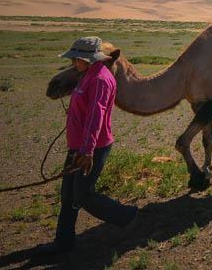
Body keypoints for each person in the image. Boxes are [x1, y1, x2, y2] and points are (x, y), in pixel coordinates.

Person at [36, 37, 138, 255]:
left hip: (92, 147)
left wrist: (87, 151)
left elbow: (95, 117)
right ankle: (63, 242)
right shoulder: (87, 75)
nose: (73, 63)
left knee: (84, 195)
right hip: (79, 146)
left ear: (88, 59)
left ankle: (128, 216)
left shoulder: (100, 79)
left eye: (76, 59)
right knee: (68, 195)